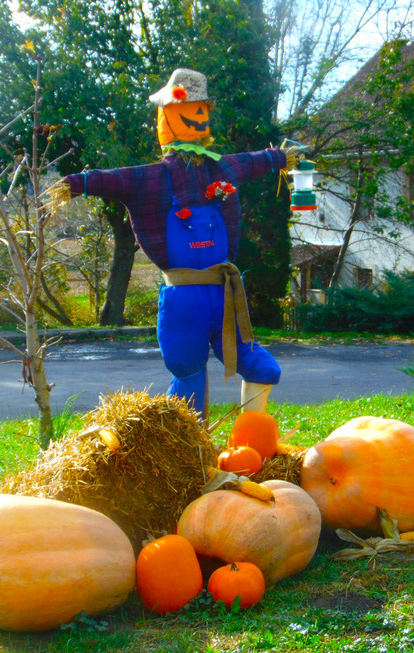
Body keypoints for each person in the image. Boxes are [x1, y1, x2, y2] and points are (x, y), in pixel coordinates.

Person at [56, 68, 294, 418]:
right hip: (186, 301)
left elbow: (255, 160)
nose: (197, 116)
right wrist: (75, 184)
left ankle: (253, 437)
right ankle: (189, 443)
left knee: (259, 367)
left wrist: (279, 158)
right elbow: (112, 180)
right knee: (188, 375)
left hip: (225, 295)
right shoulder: (153, 179)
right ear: (167, 116)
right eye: (188, 109)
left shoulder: (224, 168)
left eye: (201, 109)